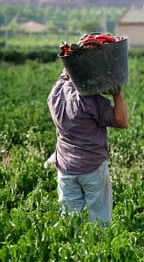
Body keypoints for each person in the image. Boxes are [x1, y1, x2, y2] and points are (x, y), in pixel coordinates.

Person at [47, 69, 127, 224]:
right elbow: (121, 121)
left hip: (65, 168)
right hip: (92, 167)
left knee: (69, 220)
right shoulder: (90, 100)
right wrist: (117, 94)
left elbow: (65, 75)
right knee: (100, 217)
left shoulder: (55, 94)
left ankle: (71, 246)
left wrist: (71, 64)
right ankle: (99, 246)